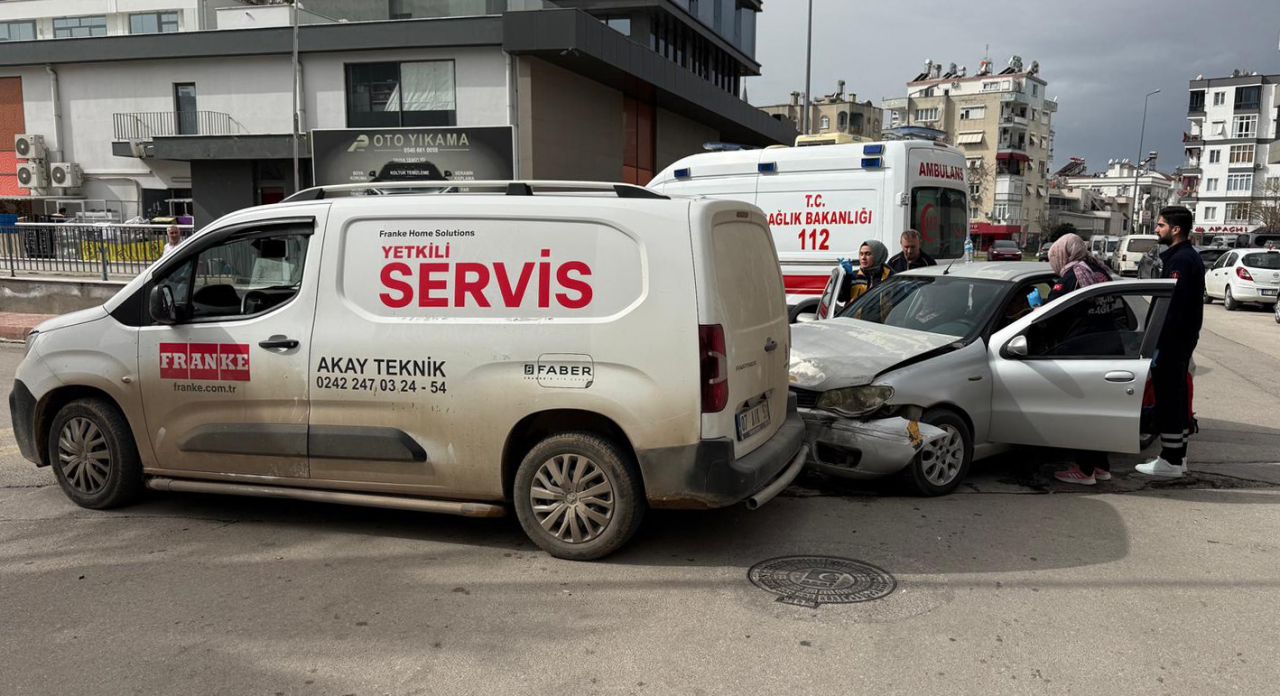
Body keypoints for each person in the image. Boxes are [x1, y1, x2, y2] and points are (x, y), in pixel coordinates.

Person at [1136, 206, 1204, 478]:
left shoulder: (1181, 261)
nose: (1157, 229)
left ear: (1176, 229)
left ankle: (1171, 460)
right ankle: (1178, 457)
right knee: (1176, 397)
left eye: (1161, 225)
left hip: (1173, 341)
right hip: (1180, 340)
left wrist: (1156, 341)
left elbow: (1172, 307)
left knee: (1169, 398)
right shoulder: (1186, 256)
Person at [1044, 233, 1116, 485]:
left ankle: (1083, 470)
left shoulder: (1073, 276)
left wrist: (1036, 308)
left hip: (1082, 351)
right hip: (1109, 349)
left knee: (1082, 413)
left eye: (1055, 255)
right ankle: (1100, 466)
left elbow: (1051, 315)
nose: (1054, 259)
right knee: (1098, 413)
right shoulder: (1099, 270)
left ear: (1064, 252)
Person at [838, 240, 893, 307]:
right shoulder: (854, 276)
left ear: (878, 256)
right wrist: (847, 277)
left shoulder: (890, 276)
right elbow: (841, 298)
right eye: (861, 254)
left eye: (868, 254)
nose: (863, 258)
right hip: (855, 317)